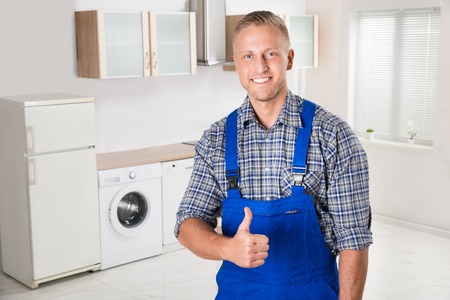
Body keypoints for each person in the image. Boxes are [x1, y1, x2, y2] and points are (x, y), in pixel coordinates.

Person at [175, 10, 372, 300]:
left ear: (289, 58)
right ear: (236, 62)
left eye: (270, 54)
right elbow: (187, 222)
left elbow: (354, 241)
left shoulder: (333, 136)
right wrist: (227, 248)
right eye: (248, 56)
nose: (260, 67)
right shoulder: (215, 140)